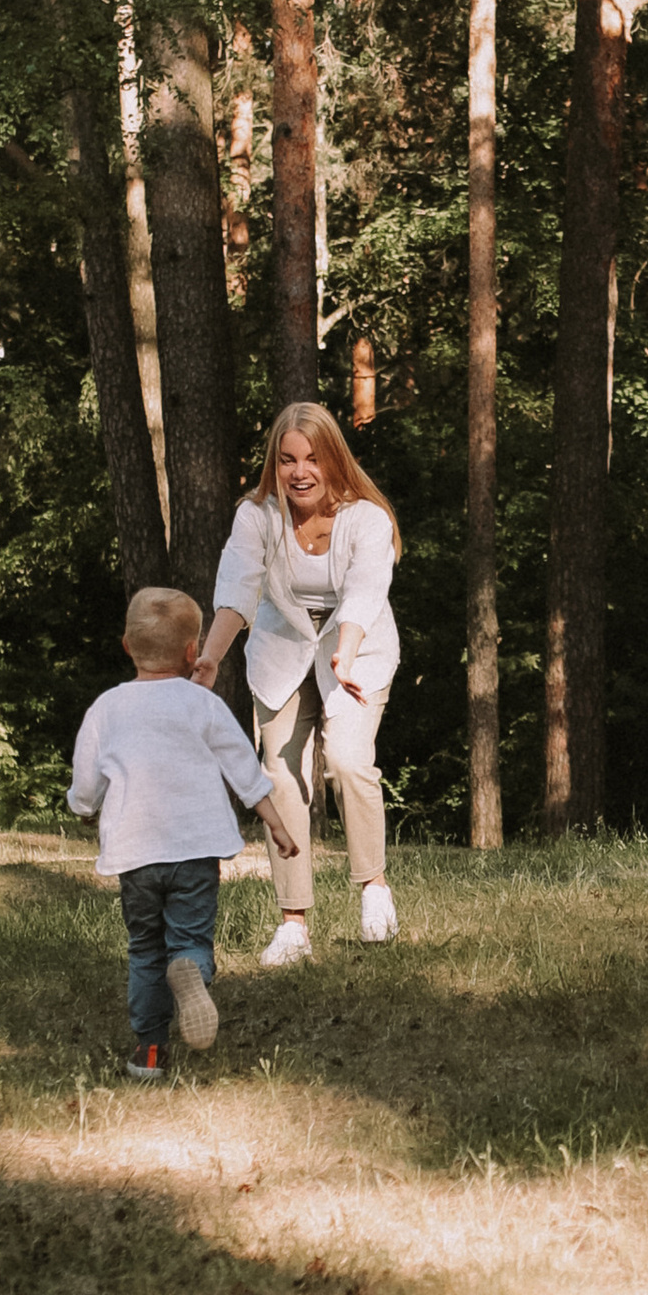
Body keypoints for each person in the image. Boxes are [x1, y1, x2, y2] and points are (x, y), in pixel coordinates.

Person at [196, 400, 403, 968]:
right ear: (276, 464)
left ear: (333, 458)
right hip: (282, 651)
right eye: (288, 460)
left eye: (313, 458)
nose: (300, 471)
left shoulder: (366, 518)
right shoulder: (256, 515)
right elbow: (237, 588)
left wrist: (347, 651)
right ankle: (293, 923)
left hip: (355, 651)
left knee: (348, 760)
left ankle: (374, 890)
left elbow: (365, 588)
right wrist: (211, 660)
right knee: (279, 776)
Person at [68, 585, 296, 1079]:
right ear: (193, 652)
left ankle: (149, 1052)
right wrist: (274, 821)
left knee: (145, 948)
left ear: (127, 645)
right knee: (189, 939)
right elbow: (243, 768)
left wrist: (84, 807)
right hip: (195, 851)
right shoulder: (202, 705)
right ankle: (191, 967)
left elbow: (86, 779)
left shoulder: (107, 708)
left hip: (136, 854)